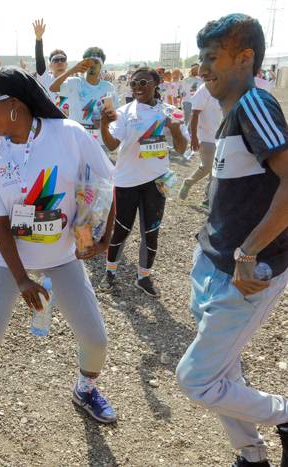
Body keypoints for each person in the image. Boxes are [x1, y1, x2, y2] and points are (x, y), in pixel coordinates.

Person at [0, 67, 117, 427]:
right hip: (6, 260)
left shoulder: (68, 134)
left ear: (15, 104)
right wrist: (22, 280)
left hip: (61, 257)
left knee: (96, 339)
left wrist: (104, 237)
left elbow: (105, 180)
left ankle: (85, 389)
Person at [175, 14, 288, 467]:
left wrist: (249, 251)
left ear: (245, 58)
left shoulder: (254, 105)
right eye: (201, 58)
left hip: (245, 274)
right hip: (213, 264)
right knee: (224, 370)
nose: (203, 68)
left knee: (197, 380)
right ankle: (251, 454)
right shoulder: (232, 114)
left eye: (212, 58)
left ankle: (283, 414)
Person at [98, 67, 188, 297]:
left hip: (158, 181)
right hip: (127, 181)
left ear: (156, 84)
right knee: (122, 229)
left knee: (151, 231)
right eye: (134, 83)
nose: (138, 87)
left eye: (143, 82)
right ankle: (109, 273)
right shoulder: (124, 112)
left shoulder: (170, 111)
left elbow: (181, 148)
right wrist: (103, 124)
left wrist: (175, 128)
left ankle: (144, 277)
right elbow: (111, 145)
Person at [50, 47, 116, 148]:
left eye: (95, 62)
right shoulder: (74, 82)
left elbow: (112, 114)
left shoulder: (108, 87)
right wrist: (72, 70)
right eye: (88, 62)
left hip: (98, 142)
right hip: (75, 140)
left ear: (101, 65)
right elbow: (53, 88)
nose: (92, 65)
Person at [177, 82, 222, 207]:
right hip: (205, 136)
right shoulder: (204, 89)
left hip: (220, 136)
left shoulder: (225, 87)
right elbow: (194, 113)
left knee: (216, 169)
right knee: (207, 166)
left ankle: (208, 199)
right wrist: (194, 137)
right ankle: (188, 182)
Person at [32, 18, 68, 106]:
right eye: (55, 60)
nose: (59, 62)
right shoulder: (45, 78)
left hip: (69, 119)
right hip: (49, 119)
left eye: (62, 59)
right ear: (50, 66)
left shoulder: (75, 82)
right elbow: (39, 59)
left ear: (66, 64)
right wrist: (38, 39)